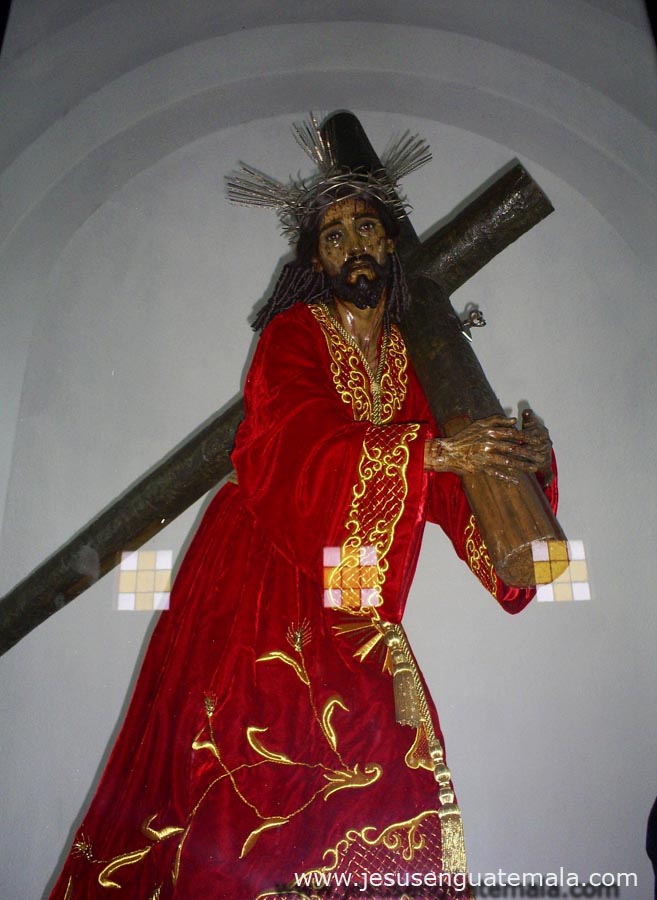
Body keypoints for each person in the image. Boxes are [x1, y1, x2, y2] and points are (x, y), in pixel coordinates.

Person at [48, 123, 557, 900]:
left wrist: (521, 465)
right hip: (259, 569)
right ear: (315, 260)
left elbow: (453, 488)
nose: (353, 246)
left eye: (365, 229)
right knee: (239, 765)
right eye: (334, 235)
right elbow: (291, 439)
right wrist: (428, 454)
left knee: (380, 758)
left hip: (351, 586)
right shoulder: (292, 335)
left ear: (389, 244)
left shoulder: (414, 359)